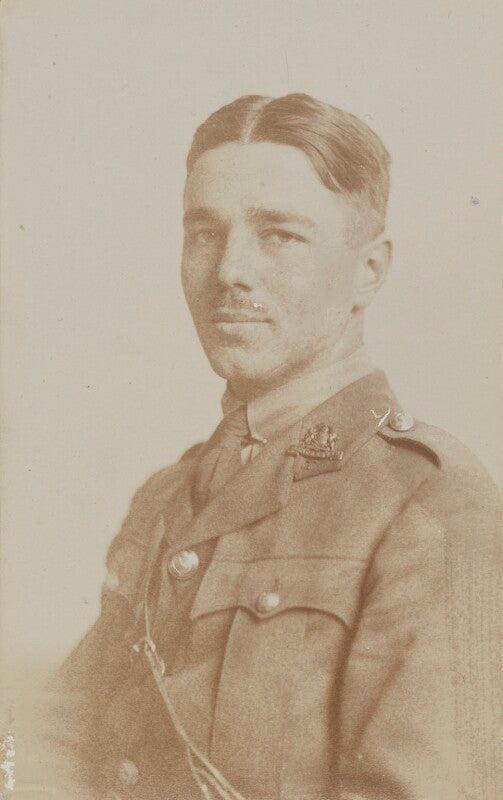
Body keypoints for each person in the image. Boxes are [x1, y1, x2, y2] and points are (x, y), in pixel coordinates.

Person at [16, 93, 501, 800]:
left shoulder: (432, 504)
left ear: (369, 270)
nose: (228, 272)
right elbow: (53, 746)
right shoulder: (167, 497)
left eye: (278, 235)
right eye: (203, 234)